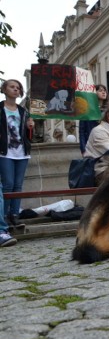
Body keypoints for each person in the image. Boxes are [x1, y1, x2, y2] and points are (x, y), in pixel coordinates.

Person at [0, 79, 34, 230]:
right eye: (12, 87)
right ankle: (4, 217)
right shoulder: (0, 108)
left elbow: (29, 135)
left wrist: (30, 127)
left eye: (18, 88)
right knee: (7, 185)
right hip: (5, 152)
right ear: (4, 89)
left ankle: (15, 216)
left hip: (21, 152)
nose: (15, 89)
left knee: (18, 186)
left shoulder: (23, 111)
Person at [79, 84, 109, 156]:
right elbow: (82, 132)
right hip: (92, 146)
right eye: (100, 90)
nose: (103, 92)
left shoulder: (108, 110)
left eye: (104, 91)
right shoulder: (87, 110)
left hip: (106, 144)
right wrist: (83, 149)